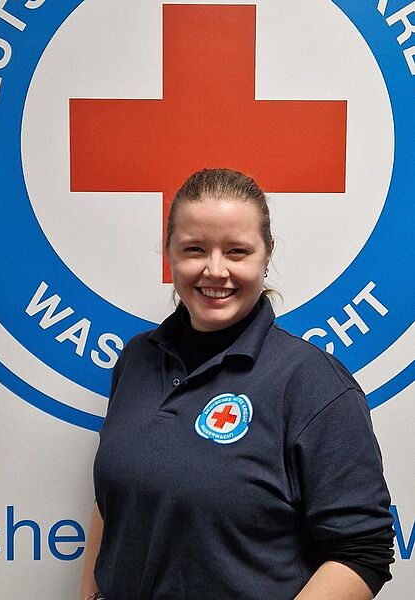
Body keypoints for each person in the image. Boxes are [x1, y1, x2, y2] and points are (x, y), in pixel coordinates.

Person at [80, 168, 394, 600]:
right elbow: (111, 501)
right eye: (194, 249)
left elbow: (361, 553)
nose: (215, 270)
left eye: (237, 251)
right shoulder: (136, 359)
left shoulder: (313, 384)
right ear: (169, 253)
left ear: (266, 254)